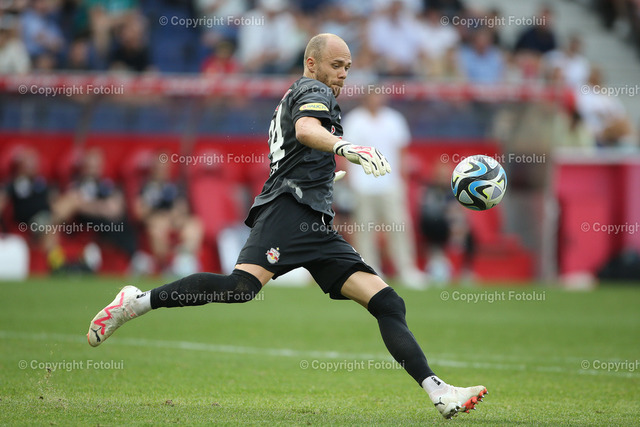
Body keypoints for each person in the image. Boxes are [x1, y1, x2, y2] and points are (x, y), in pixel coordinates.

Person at [86, 33, 487, 420]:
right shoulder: (314, 90)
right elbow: (305, 131)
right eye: (336, 64)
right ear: (311, 63)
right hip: (290, 213)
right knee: (240, 288)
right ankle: (137, 302)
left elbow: (293, 153)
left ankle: (438, 391)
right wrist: (347, 148)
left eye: (348, 66)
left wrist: (324, 178)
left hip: (313, 220)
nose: (343, 73)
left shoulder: (298, 94)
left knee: (387, 302)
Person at [342, 89, 425, 288]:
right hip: (362, 185)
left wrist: (401, 180)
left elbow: (402, 151)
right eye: (373, 95)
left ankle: (406, 269)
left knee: (399, 226)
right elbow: (345, 152)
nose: (376, 99)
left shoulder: (394, 120)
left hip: (390, 184)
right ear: (365, 98)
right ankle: (370, 271)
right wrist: (350, 181)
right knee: (364, 230)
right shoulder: (354, 120)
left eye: (379, 95)